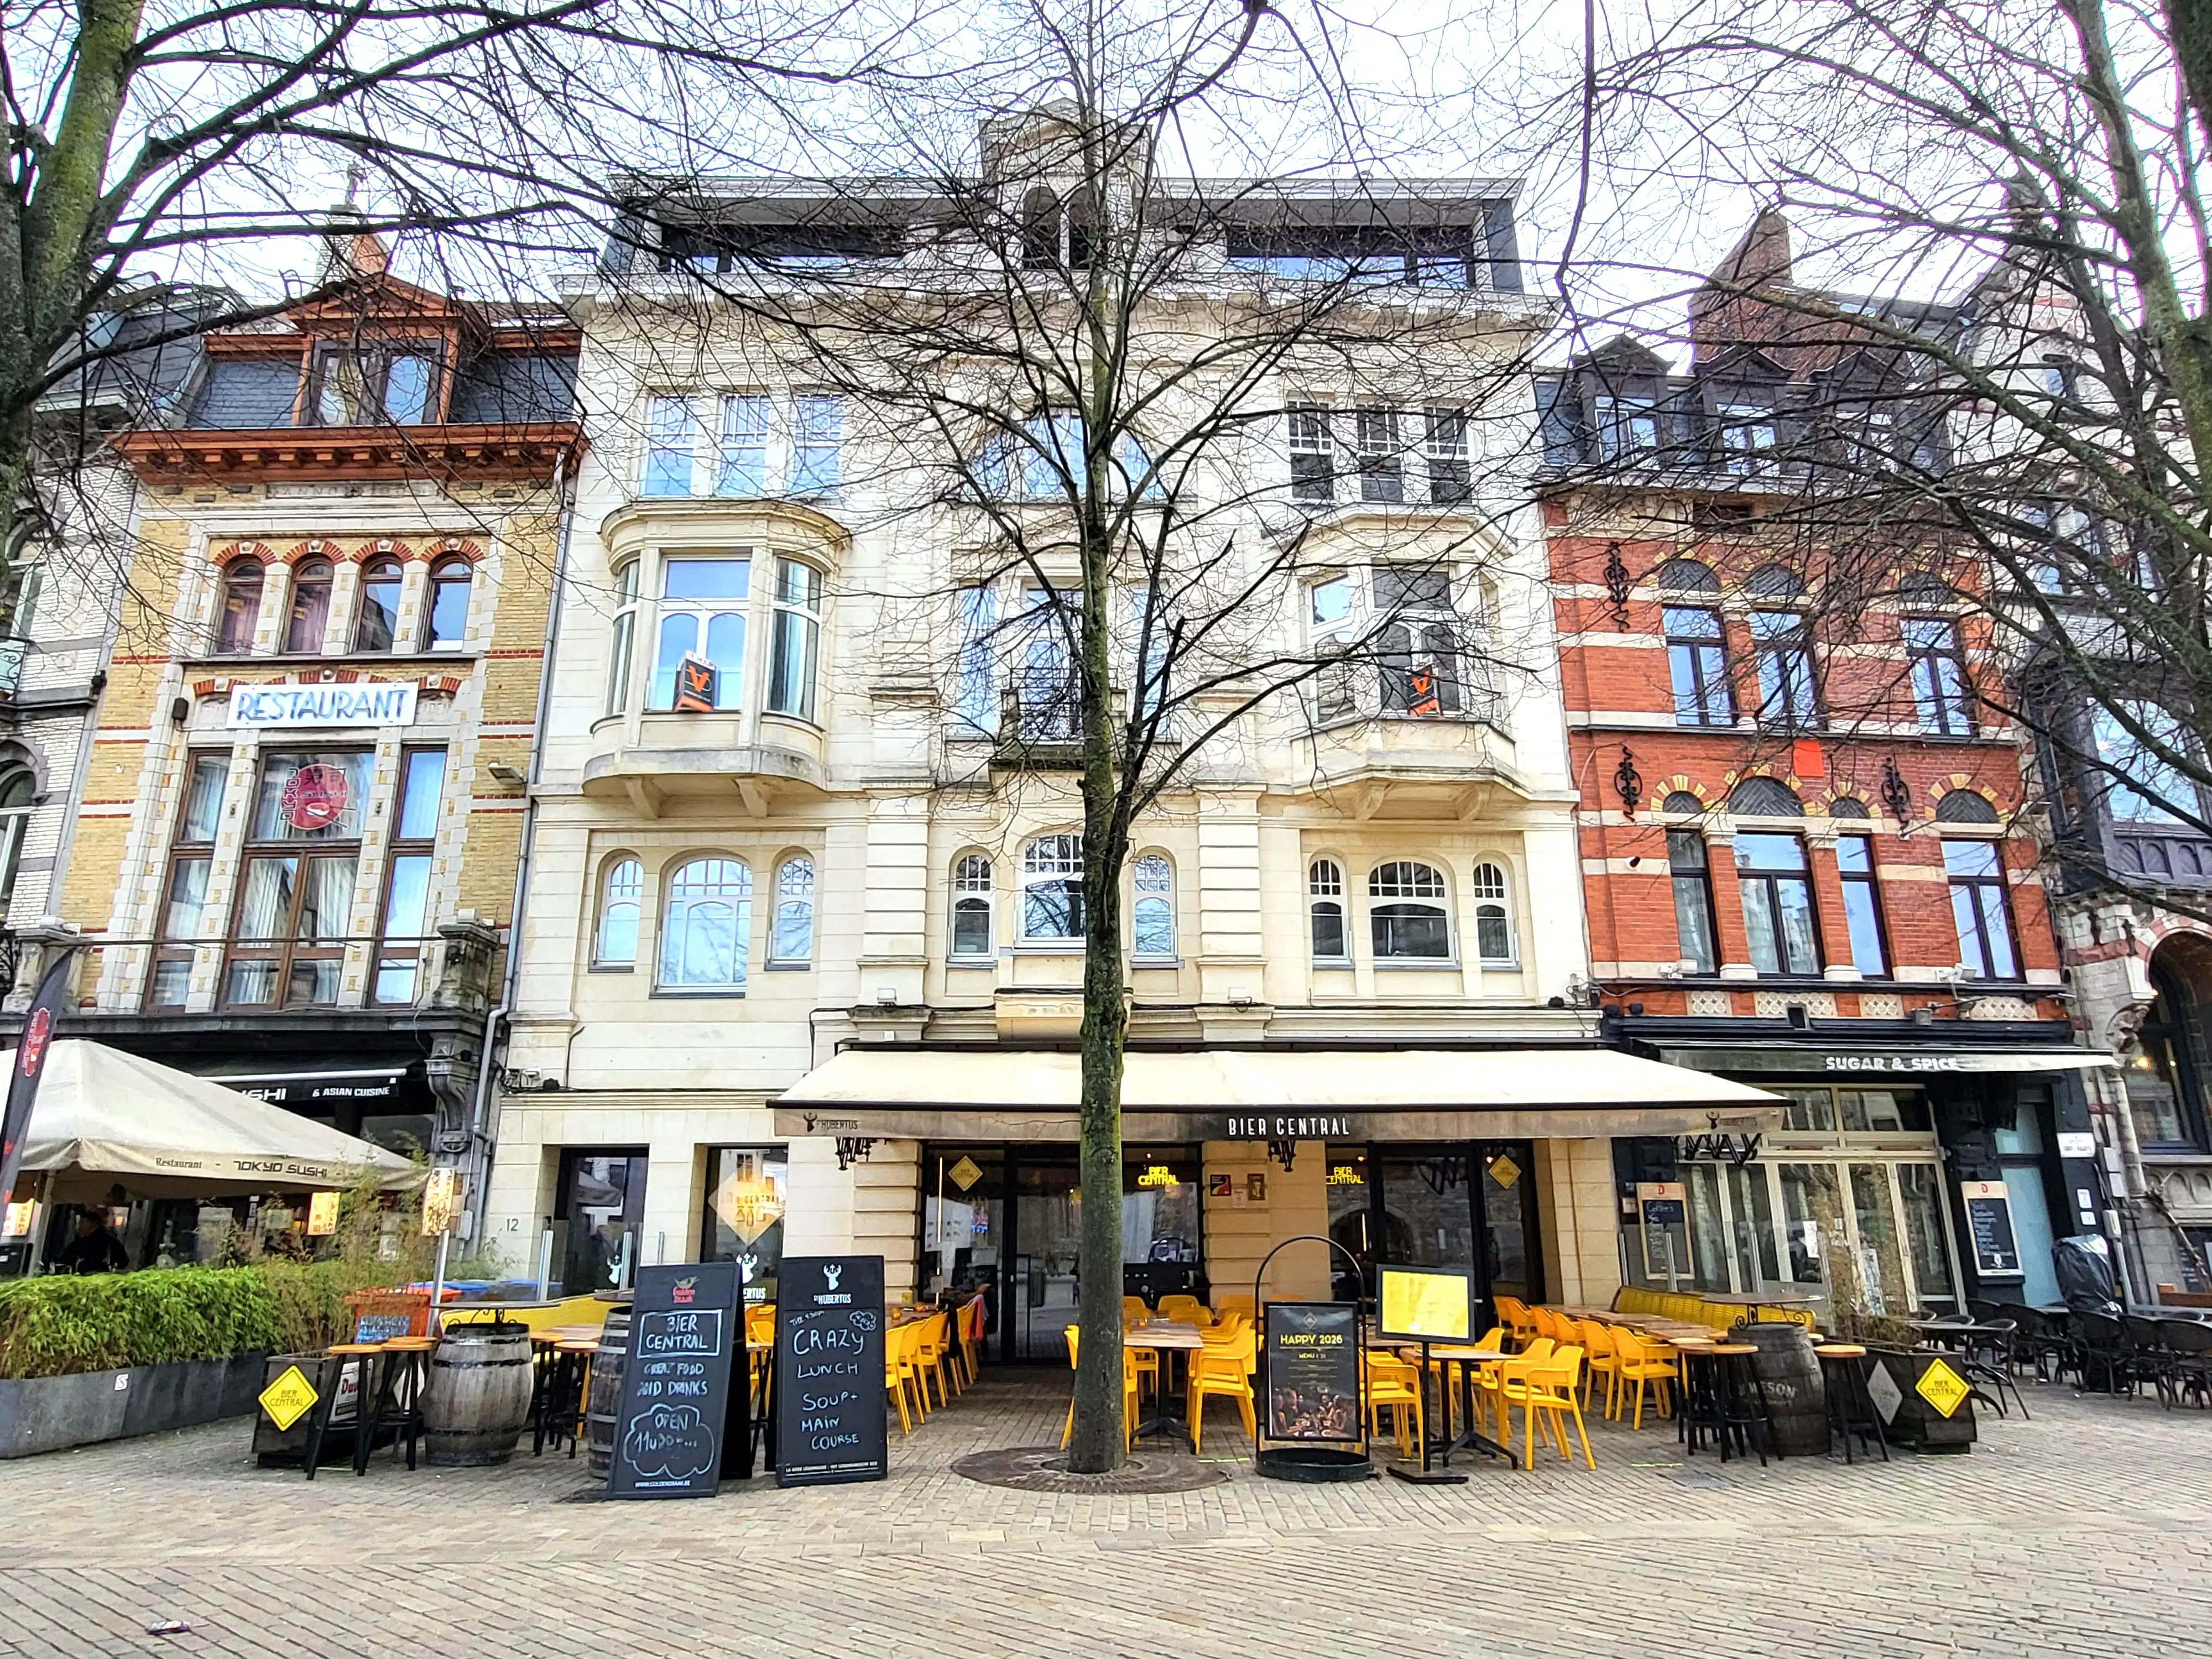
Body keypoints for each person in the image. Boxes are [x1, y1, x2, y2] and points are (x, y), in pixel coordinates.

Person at [55, 1211, 128, 1275]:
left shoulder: (81, 1244)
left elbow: (65, 1260)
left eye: (82, 1224)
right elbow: (124, 1263)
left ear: (91, 1225)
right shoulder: (112, 1242)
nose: (79, 1228)